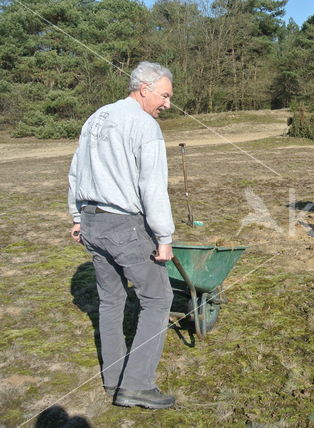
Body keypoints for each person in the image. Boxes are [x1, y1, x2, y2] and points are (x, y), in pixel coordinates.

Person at [68, 62, 176, 409]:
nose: (168, 104)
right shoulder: (143, 125)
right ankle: (137, 385)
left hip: (91, 222)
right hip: (122, 224)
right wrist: (164, 236)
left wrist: (76, 215)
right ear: (144, 89)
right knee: (158, 299)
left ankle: (113, 379)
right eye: (165, 95)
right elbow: (152, 185)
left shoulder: (98, 116)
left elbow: (76, 169)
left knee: (112, 301)